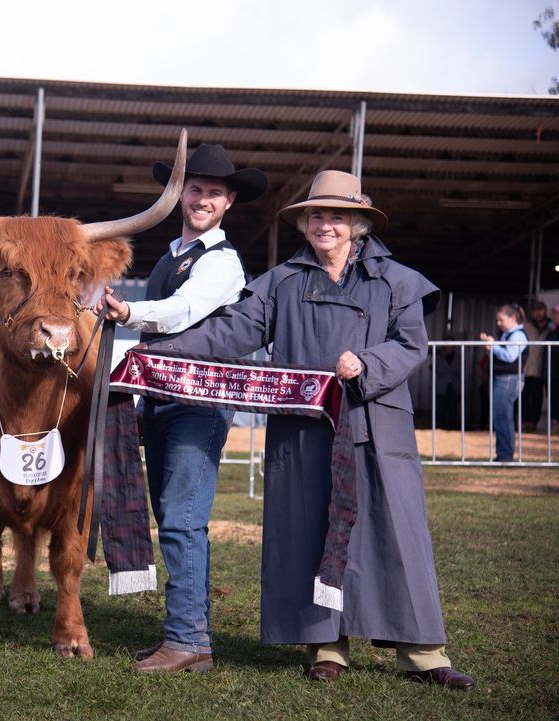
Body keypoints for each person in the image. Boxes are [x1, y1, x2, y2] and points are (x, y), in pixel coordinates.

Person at [144, 170, 475, 690]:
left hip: (376, 426)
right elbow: (231, 331)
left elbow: (411, 345)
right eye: (316, 215)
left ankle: (423, 653)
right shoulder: (281, 282)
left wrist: (367, 363)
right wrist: (155, 356)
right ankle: (327, 645)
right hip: (303, 432)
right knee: (309, 534)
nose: (326, 225)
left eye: (337, 217)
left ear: (358, 224)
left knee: (396, 535)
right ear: (304, 223)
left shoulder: (398, 280)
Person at [96, 144, 268, 673]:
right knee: (174, 515)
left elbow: (181, 312)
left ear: (229, 202)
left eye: (213, 192)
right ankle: (185, 637)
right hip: (165, 401)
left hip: (198, 403)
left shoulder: (223, 261)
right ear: (178, 195)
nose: (202, 199)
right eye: (194, 189)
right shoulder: (174, 254)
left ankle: (190, 639)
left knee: (183, 518)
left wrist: (127, 310)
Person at [480, 305, 529, 462]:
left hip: (508, 379)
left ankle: (505, 456)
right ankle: (503, 454)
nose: (498, 323)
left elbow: (509, 356)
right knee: (501, 416)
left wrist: (493, 346)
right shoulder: (508, 335)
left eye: (501, 320)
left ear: (512, 318)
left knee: (502, 416)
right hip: (505, 379)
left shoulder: (517, 336)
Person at [520, 301, 553, 431]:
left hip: (542, 369)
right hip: (526, 369)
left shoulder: (552, 327)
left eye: (540, 310)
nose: (538, 314)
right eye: (535, 311)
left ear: (545, 311)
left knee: (537, 398)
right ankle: (522, 422)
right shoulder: (527, 326)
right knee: (523, 397)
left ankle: (532, 423)